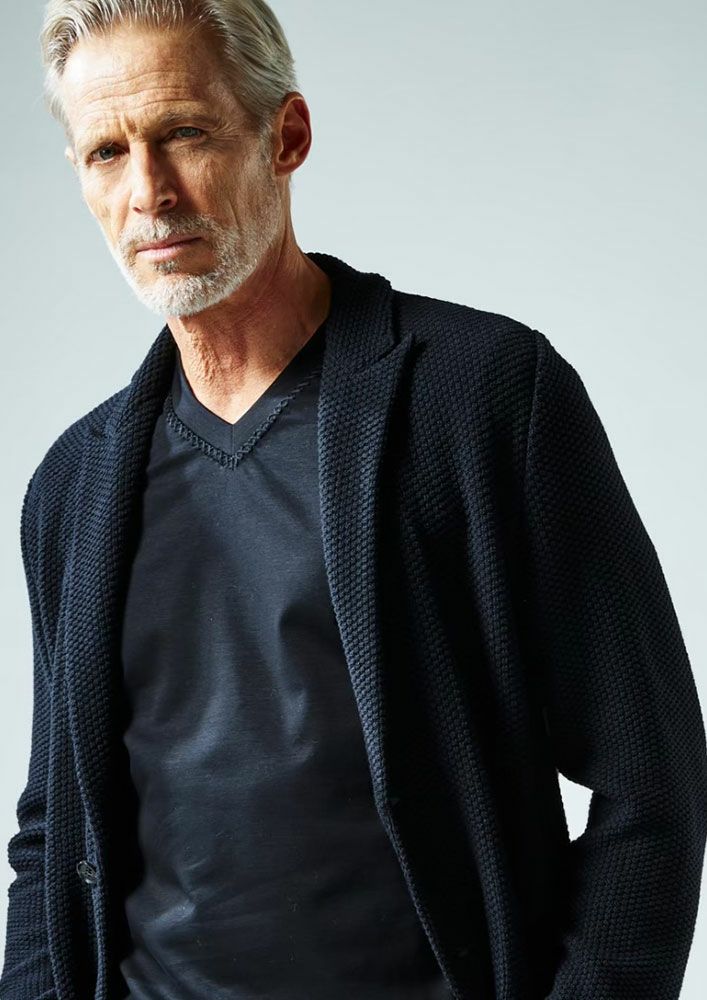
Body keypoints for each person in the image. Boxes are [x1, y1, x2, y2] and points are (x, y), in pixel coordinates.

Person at [2, 2, 706, 998]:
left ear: (284, 136)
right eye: (107, 152)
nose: (148, 192)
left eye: (185, 134)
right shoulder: (72, 486)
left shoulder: (484, 397)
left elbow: (652, 781)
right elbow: (53, 827)